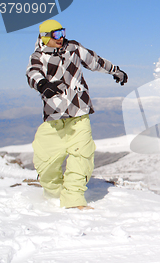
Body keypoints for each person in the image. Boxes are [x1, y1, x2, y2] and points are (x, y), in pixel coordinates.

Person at [26, 19, 127, 210]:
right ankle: (54, 194)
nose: (61, 37)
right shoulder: (38, 56)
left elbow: (94, 61)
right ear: (45, 37)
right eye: (56, 34)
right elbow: (32, 73)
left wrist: (115, 71)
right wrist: (43, 85)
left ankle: (74, 201)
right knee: (45, 162)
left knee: (82, 156)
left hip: (79, 113)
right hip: (54, 118)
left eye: (62, 32)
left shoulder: (72, 48)